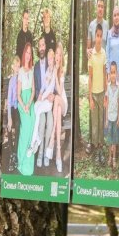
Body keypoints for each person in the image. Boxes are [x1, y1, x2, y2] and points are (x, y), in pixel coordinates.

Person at [28, 48, 57, 159]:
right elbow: (44, 86)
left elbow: (50, 88)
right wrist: (40, 94)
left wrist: (43, 97)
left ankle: (33, 143)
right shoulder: (47, 71)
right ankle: (38, 139)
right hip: (43, 98)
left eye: (51, 59)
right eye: (48, 59)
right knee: (35, 107)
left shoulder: (54, 71)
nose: (50, 61)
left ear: (54, 60)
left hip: (48, 102)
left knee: (38, 111)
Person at [32, 37, 53, 168]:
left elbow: (54, 84)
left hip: (49, 101)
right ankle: (39, 153)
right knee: (42, 122)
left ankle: (46, 152)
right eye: (39, 45)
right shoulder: (35, 67)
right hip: (40, 101)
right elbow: (35, 88)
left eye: (43, 45)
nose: (41, 48)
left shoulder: (50, 63)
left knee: (50, 122)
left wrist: (52, 95)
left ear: (45, 47)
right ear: (38, 48)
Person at [48, 42, 68, 173]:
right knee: (57, 107)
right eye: (57, 54)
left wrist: (55, 73)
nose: (58, 57)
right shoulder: (52, 69)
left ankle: (51, 140)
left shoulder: (62, 71)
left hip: (64, 102)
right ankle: (58, 154)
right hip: (57, 105)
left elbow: (60, 92)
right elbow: (49, 88)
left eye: (60, 55)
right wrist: (50, 95)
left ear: (61, 58)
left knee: (58, 102)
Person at [16, 43, 36, 176]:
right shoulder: (21, 71)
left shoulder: (32, 69)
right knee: (26, 127)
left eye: (30, 53)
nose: (28, 55)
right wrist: (24, 106)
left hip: (30, 101)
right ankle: (21, 160)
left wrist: (29, 104)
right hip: (22, 101)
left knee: (33, 122)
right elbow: (18, 94)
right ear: (24, 54)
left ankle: (29, 162)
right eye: (27, 53)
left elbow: (34, 90)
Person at [88, 24, 107, 158]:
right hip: (94, 94)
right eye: (97, 36)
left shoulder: (104, 53)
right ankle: (94, 144)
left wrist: (106, 93)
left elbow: (105, 75)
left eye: (101, 36)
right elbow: (90, 77)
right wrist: (90, 98)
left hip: (102, 93)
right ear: (95, 37)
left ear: (102, 37)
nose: (99, 38)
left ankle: (100, 144)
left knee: (101, 121)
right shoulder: (91, 55)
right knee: (94, 122)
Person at [104, 62, 119, 170]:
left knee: (114, 140)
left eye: (114, 72)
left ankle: (114, 158)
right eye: (111, 73)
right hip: (109, 118)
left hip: (115, 119)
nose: (113, 75)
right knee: (110, 140)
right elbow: (107, 103)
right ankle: (109, 157)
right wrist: (106, 119)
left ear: (117, 73)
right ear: (109, 75)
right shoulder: (108, 88)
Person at [5, 56, 20, 172]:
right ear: (13, 67)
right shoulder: (11, 81)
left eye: (19, 66)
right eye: (16, 66)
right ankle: (11, 153)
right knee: (9, 127)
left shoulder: (21, 79)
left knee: (18, 124)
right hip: (11, 108)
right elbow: (9, 100)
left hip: (18, 108)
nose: (17, 68)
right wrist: (9, 117)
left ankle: (15, 154)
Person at [87, 0, 109, 65]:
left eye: (102, 7)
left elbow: (108, 46)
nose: (100, 9)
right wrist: (87, 51)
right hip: (94, 63)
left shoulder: (107, 25)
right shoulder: (91, 25)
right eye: (99, 6)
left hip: (104, 64)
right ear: (96, 8)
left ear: (104, 9)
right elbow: (88, 48)